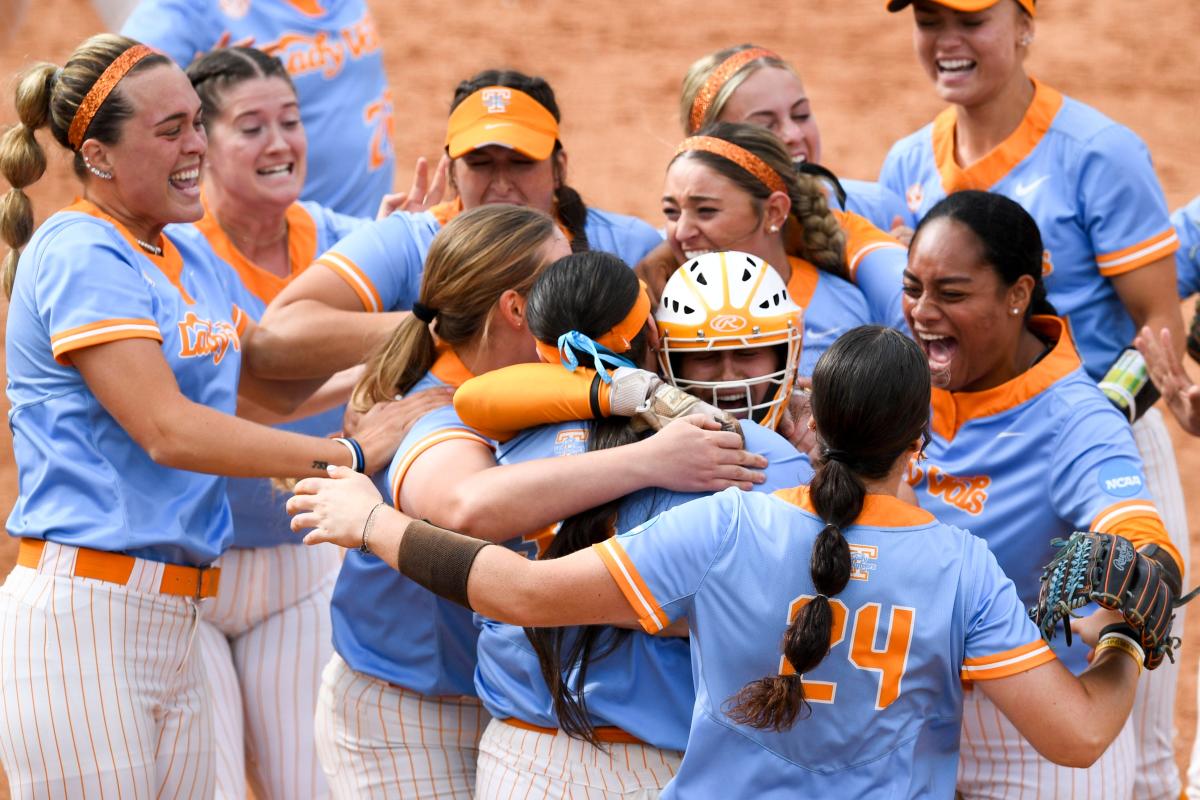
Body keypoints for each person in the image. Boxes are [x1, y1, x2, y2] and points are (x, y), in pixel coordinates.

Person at [289, 325, 1151, 799]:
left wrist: (373, 526)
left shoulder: (729, 528)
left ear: (811, 424)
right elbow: (1076, 737)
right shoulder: (962, 568)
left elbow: (518, 591)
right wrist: (1120, 644)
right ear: (917, 443)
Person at [0, 34, 412, 798]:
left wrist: (416, 353)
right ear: (97, 156)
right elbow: (168, 429)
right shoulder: (81, 249)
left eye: (196, 123)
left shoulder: (186, 255)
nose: (196, 146)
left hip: (174, 615)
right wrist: (345, 458)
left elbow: (253, 387)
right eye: (171, 131)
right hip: (87, 621)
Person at [310, 204, 762, 798]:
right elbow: (469, 507)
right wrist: (653, 460)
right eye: (560, 276)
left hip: (504, 699)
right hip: (414, 708)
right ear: (517, 308)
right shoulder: (432, 407)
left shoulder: (541, 395)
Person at [881, 4, 1188, 793]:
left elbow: (1155, 324)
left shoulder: (1097, 152)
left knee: (1139, 728)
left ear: (1024, 23)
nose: (946, 38)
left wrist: (1091, 417)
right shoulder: (907, 162)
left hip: (1099, 419)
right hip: (953, 415)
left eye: (971, 18)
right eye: (928, 17)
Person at [169, 46, 443, 800]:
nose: (280, 142)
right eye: (250, 126)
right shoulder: (173, 257)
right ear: (201, 142)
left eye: (289, 121)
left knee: (312, 786)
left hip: (301, 557)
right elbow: (215, 405)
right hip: (188, 562)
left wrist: (394, 253)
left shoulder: (342, 243)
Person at [901, 190, 1184, 797]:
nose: (922, 311)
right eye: (912, 288)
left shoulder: (1073, 418)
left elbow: (1141, 536)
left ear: (1018, 295)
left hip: (1036, 736)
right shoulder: (916, 367)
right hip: (916, 721)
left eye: (951, 294)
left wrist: (1133, 588)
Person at [248, 69, 664, 380]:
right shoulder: (407, 240)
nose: (501, 184)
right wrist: (454, 328)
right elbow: (273, 342)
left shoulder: (626, 243)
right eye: (479, 163)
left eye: (521, 163)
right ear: (450, 172)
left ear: (559, 168)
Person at [120, 0, 395, 218]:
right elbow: (118, 89)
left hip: (361, 222)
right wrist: (193, 88)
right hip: (277, 240)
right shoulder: (193, 8)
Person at [658, 122, 874, 373]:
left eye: (706, 211)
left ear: (774, 212)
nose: (682, 232)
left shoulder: (842, 311)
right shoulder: (652, 305)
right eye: (671, 212)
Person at [681, 43, 913, 232]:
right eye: (766, 125)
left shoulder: (879, 210)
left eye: (801, 115)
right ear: (709, 148)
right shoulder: (683, 245)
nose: (794, 134)